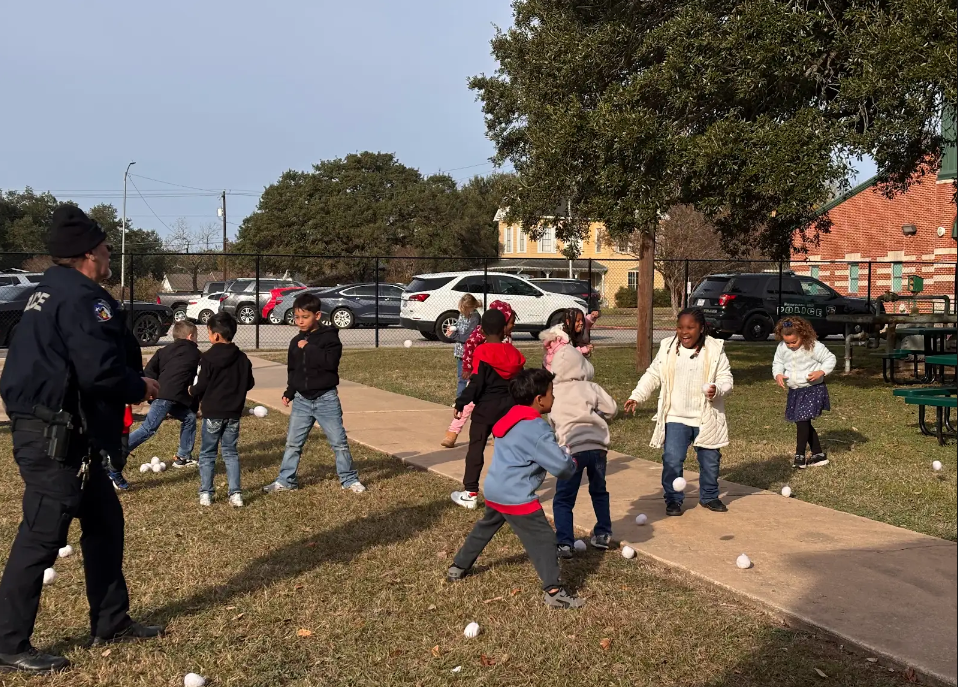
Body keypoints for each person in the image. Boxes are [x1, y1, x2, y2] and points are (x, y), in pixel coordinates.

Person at [0, 205, 164, 673]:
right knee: (40, 537)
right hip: (57, 435)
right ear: (90, 252)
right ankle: (8, 642)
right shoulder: (82, 298)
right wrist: (141, 386)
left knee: (105, 524)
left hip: (69, 432)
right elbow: (100, 371)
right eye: (106, 245)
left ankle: (110, 621)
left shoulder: (45, 292)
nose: (110, 251)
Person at [447, 368, 584, 609]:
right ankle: (554, 591)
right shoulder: (538, 430)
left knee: (484, 528)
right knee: (543, 539)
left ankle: (458, 566)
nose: (554, 398)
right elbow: (561, 469)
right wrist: (569, 459)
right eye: (552, 393)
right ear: (539, 400)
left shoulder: (508, 418)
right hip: (517, 497)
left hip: (495, 489)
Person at [624, 308, 734, 517]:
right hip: (675, 416)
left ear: (701, 328)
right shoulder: (667, 347)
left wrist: (717, 389)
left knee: (710, 461)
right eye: (680, 327)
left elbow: (726, 378)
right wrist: (636, 395)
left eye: (690, 328)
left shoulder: (714, 349)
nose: (684, 332)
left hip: (705, 417)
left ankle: (709, 496)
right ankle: (673, 500)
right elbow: (653, 374)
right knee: (672, 459)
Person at [263, 292, 367, 494]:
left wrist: (309, 348)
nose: (300, 321)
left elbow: (330, 363)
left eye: (305, 317)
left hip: (326, 398)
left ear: (317, 315)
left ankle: (349, 479)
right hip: (302, 400)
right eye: (296, 317)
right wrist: (290, 391)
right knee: (293, 443)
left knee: (339, 442)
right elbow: (293, 370)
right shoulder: (295, 342)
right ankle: (286, 481)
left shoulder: (330, 339)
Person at [450, 308, 526, 509]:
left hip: (485, 409)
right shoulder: (515, 353)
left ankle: (470, 493)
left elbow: (476, 384)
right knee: (508, 452)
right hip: (509, 409)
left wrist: (461, 402)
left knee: (476, 448)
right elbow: (521, 384)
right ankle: (509, 492)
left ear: (481, 331)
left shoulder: (481, 351)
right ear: (504, 330)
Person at [549, 343, 618, 557]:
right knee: (599, 490)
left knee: (563, 497)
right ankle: (603, 534)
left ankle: (564, 543)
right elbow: (612, 409)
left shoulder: (553, 392)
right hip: (598, 449)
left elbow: (552, 420)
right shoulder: (591, 387)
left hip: (571, 452)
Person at [189, 312, 254, 507]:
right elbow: (249, 383)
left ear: (215, 335)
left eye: (208, 332)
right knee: (230, 452)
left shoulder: (207, 358)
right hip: (233, 413)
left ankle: (206, 493)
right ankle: (235, 494)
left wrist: (192, 390)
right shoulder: (242, 358)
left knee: (208, 453)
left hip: (213, 413)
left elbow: (200, 384)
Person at [443, 300, 517, 450]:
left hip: (498, 382)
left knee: (500, 409)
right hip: (480, 378)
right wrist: (467, 367)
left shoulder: (507, 339)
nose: (513, 326)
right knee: (468, 406)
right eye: (510, 323)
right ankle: (452, 433)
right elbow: (469, 345)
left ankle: (499, 436)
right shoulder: (481, 332)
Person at [126, 320, 201, 469]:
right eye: (196, 337)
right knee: (148, 428)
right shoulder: (196, 353)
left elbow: (149, 371)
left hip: (162, 394)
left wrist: (148, 390)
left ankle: (183, 457)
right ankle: (116, 450)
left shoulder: (163, 350)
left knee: (189, 418)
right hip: (168, 396)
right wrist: (194, 404)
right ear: (190, 336)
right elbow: (197, 379)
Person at [772, 317, 836, 469]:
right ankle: (818, 454)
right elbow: (778, 363)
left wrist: (821, 371)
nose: (791, 345)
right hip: (795, 389)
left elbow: (830, 359)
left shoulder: (813, 346)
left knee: (802, 421)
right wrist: (778, 374)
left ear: (803, 334)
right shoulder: (782, 348)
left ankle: (799, 455)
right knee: (803, 422)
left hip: (812, 389)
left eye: (794, 342)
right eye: (787, 342)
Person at [440, 294, 482, 448]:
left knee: (467, 381)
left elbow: (468, 336)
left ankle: (463, 401)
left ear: (471, 306)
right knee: (461, 379)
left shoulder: (475, 318)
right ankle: (460, 402)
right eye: (461, 309)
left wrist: (455, 335)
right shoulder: (461, 316)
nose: (463, 311)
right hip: (460, 352)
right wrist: (453, 333)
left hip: (469, 355)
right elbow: (460, 332)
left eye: (465, 309)